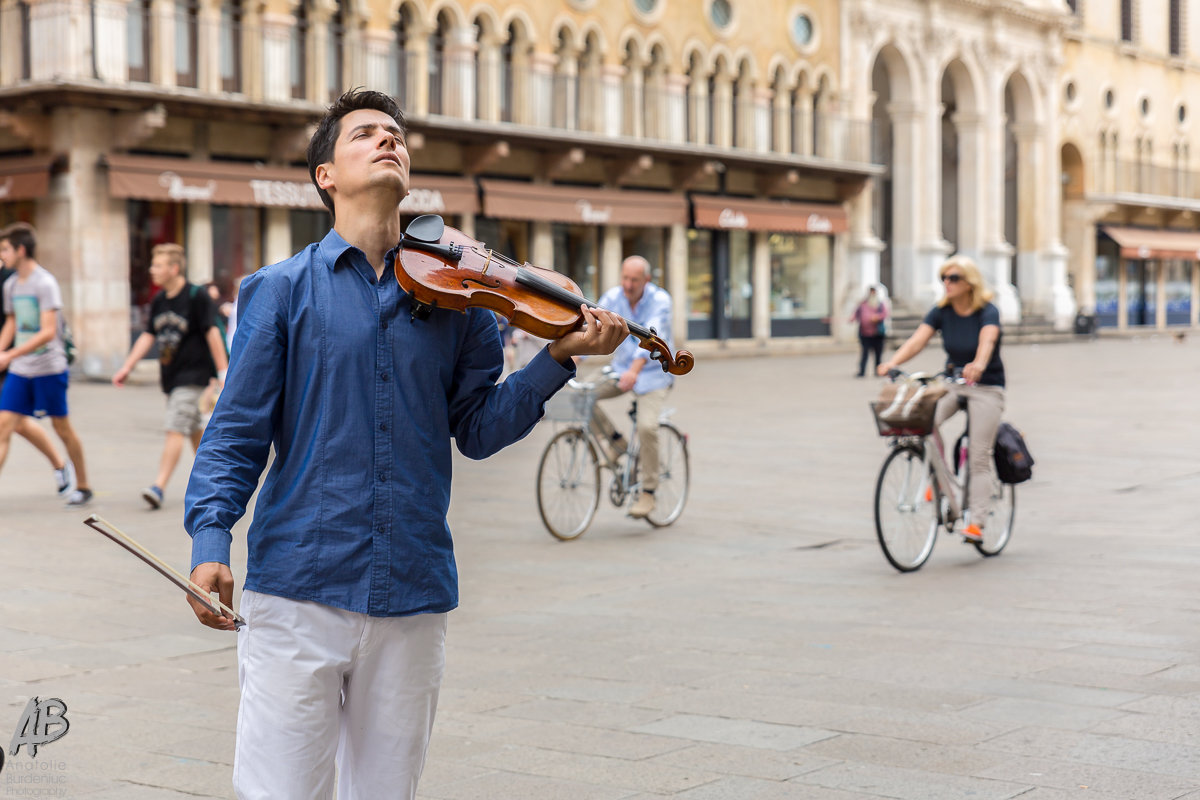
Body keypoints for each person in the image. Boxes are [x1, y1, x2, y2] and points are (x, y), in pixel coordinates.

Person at [182, 89, 627, 800]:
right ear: (326, 173)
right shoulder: (279, 291)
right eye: (364, 134)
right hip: (297, 591)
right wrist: (210, 544)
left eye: (396, 132)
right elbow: (236, 434)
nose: (388, 139)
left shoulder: (463, 295)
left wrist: (557, 359)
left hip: (412, 593)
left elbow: (479, 430)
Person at [878, 255, 1005, 543]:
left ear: (970, 282)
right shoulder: (941, 311)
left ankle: (978, 522)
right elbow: (917, 340)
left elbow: (987, 341)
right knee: (922, 423)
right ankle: (945, 485)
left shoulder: (988, 311)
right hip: (952, 384)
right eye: (944, 278)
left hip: (986, 387)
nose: (947, 283)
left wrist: (980, 364)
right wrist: (892, 362)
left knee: (979, 455)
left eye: (954, 278)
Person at [112, 245, 228, 509]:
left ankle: (159, 486)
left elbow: (212, 333)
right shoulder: (160, 300)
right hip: (172, 377)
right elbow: (149, 335)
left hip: (194, 376)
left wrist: (223, 373)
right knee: (193, 429)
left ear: (173, 268)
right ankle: (217, 480)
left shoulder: (197, 297)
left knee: (175, 427)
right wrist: (127, 366)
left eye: (158, 265)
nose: (152, 270)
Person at [0, 222, 93, 506]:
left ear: (21, 250)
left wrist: (9, 355)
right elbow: (13, 321)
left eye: (5, 249)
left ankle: (84, 484)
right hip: (20, 370)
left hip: (49, 368)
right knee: (4, 424)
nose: (1, 254)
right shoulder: (12, 284)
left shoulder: (45, 282)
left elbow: (47, 331)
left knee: (62, 428)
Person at [591, 255, 675, 520]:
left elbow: (653, 336)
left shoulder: (660, 300)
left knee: (647, 427)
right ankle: (617, 443)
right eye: (625, 278)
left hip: (652, 374)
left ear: (646, 281)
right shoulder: (613, 297)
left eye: (634, 280)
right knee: (581, 396)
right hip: (622, 369)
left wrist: (635, 371)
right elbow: (592, 325)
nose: (627, 284)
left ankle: (649, 490)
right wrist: (574, 355)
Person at [851, 286, 888, 377]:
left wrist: (877, 317)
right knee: (865, 353)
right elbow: (856, 314)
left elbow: (884, 314)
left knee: (878, 354)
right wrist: (852, 319)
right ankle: (862, 371)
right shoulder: (863, 304)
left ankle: (878, 371)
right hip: (865, 333)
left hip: (877, 333)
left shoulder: (880, 304)